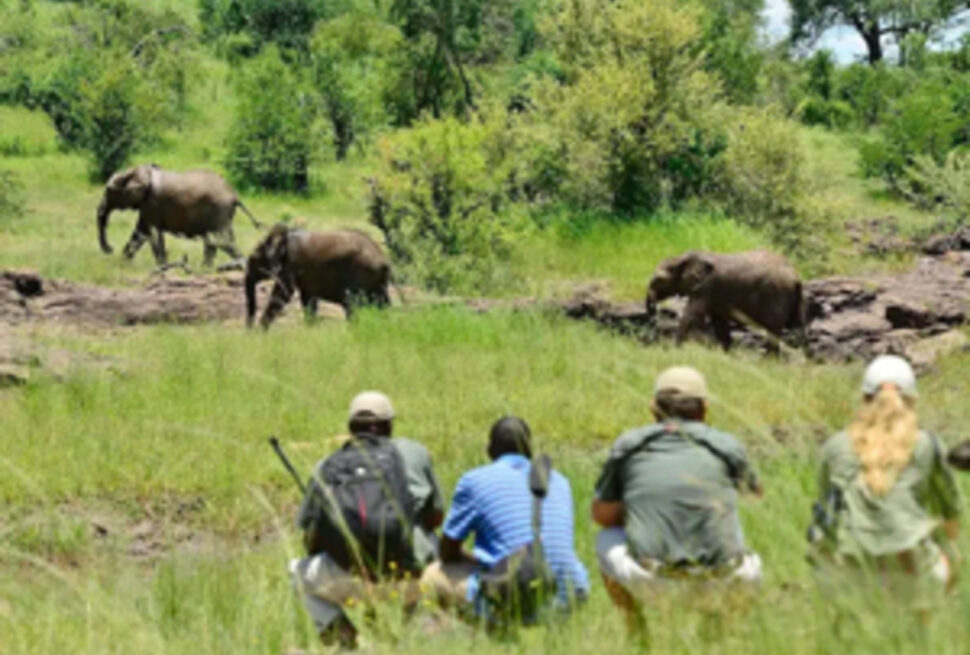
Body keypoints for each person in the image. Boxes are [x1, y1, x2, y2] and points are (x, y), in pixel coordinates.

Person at [591, 366, 763, 628]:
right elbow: (755, 497)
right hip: (723, 581)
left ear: (653, 407)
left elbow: (601, 516)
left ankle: (635, 629)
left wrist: (638, 510)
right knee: (744, 548)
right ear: (704, 409)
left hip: (654, 582)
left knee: (606, 539)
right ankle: (719, 633)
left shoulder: (630, 445)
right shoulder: (727, 445)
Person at [290, 391, 445, 648]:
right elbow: (436, 516)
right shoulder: (414, 453)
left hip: (351, 576)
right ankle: (417, 634)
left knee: (296, 574)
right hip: (411, 576)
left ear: (351, 428)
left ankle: (349, 645)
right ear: (389, 425)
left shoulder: (327, 465)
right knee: (431, 544)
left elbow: (310, 537)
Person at [807, 355, 962, 601]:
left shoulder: (835, 446)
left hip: (853, 570)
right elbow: (951, 516)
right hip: (912, 567)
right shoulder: (927, 444)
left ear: (864, 399)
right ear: (911, 400)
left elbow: (826, 514)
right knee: (949, 557)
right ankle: (928, 618)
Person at [421, 416, 589, 624]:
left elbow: (448, 552)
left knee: (433, 574)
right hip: (571, 593)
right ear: (529, 450)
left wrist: (477, 561)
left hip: (516, 595)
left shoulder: (473, 481)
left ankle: (480, 630)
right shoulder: (560, 481)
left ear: (490, 450)